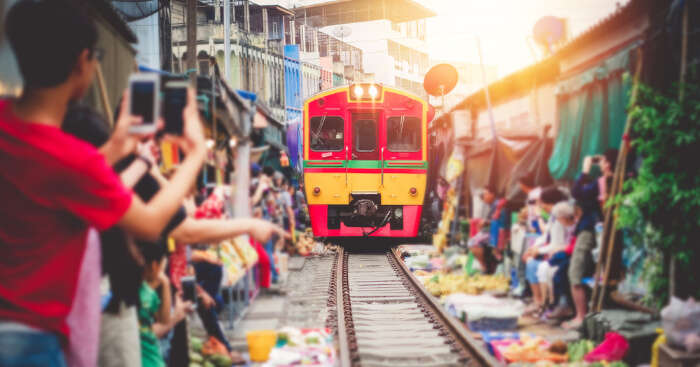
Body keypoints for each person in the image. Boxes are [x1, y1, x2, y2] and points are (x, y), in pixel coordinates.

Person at [0, 2, 206, 366]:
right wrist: (195, 157)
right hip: (36, 341)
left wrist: (117, 148)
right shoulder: (73, 159)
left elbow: (52, 177)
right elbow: (151, 221)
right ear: (82, 62)